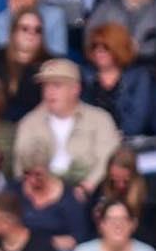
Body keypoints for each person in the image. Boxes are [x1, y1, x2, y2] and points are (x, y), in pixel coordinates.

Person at [12, 57, 119, 195]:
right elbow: (20, 167)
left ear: (75, 89)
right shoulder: (29, 122)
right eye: (46, 86)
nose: (49, 92)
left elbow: (107, 160)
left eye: (56, 85)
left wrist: (86, 187)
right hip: (41, 193)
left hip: (87, 192)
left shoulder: (100, 119)